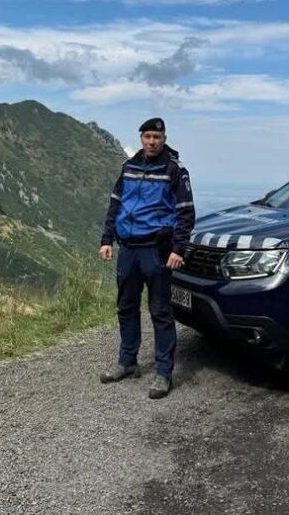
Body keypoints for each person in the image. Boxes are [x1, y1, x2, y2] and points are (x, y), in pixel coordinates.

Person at [98, 117, 195, 399]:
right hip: (128, 248)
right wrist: (106, 239)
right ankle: (127, 362)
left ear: (164, 139)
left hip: (156, 249)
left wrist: (178, 249)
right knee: (126, 307)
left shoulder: (175, 170)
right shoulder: (128, 166)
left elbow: (186, 212)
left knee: (160, 311)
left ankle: (164, 373)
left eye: (156, 137)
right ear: (141, 138)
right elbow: (115, 204)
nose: (151, 141)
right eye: (147, 136)